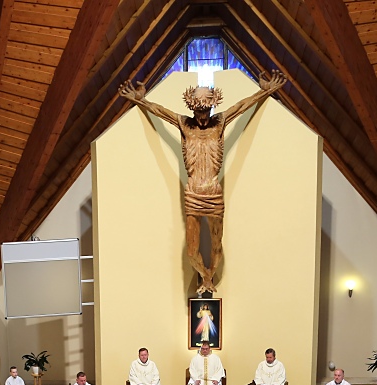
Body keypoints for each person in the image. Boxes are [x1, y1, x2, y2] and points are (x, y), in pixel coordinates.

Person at [119, 72, 287, 293]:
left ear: (212, 107)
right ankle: (206, 277)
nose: (203, 117)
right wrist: (141, 100)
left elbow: (242, 106)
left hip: (214, 193)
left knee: (217, 244)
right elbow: (159, 111)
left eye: (206, 111)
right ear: (192, 109)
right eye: (198, 112)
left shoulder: (220, 122)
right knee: (191, 252)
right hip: (193, 193)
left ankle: (209, 277)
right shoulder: (184, 124)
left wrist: (265, 91)